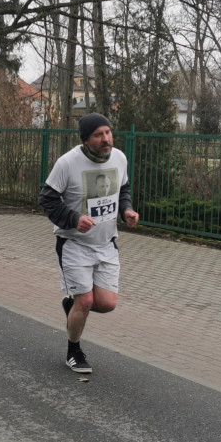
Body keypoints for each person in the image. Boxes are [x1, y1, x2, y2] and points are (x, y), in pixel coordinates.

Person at [37, 113, 139, 374]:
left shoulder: (119, 158)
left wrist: (126, 210)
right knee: (86, 300)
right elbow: (47, 199)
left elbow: (123, 188)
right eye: (98, 134)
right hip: (73, 243)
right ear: (86, 139)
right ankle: (74, 350)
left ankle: (71, 307)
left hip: (106, 242)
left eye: (108, 132)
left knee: (105, 303)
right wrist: (73, 219)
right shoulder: (67, 163)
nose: (106, 139)